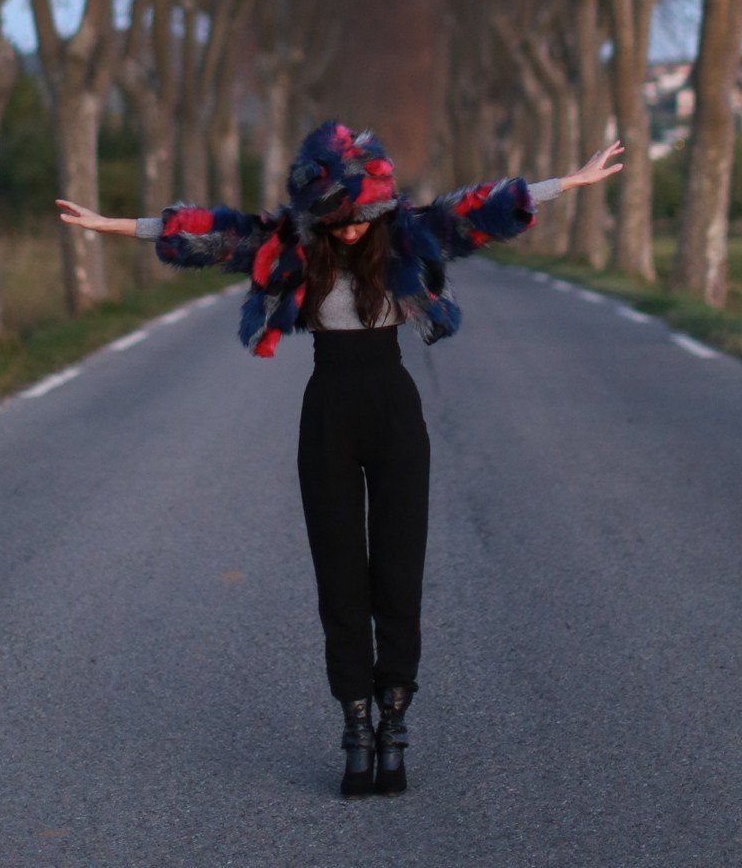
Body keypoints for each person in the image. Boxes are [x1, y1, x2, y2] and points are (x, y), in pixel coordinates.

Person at [56, 119, 624, 799]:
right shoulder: (293, 244)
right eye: (338, 218)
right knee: (339, 579)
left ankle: (395, 715)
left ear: (378, 206)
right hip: (327, 414)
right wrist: (111, 225)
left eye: (360, 216)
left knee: (398, 570)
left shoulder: (410, 234)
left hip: (395, 411)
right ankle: (355, 722)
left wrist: (572, 180)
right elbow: (206, 233)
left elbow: (482, 210)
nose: (351, 229)